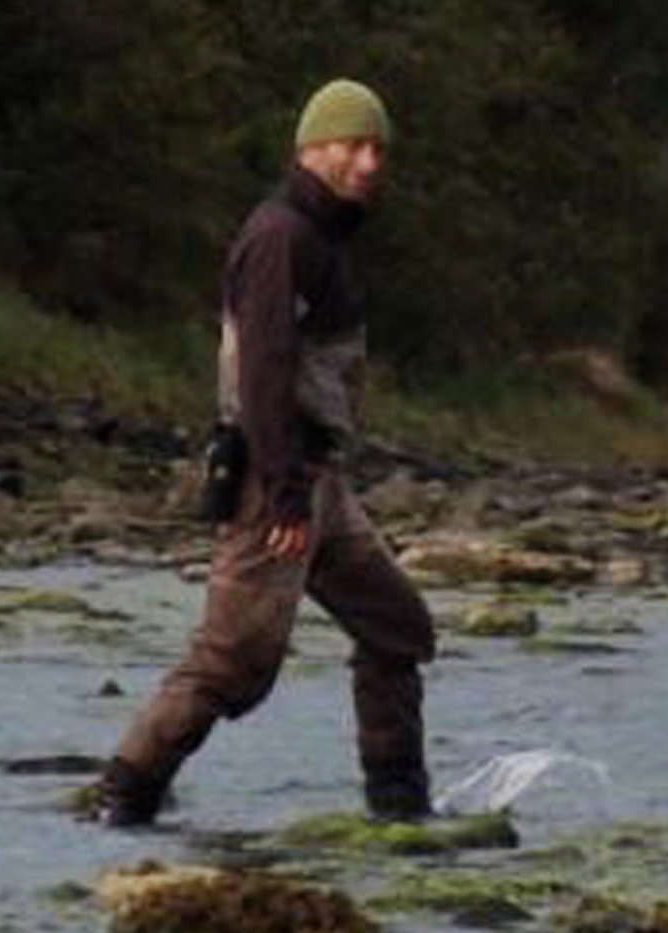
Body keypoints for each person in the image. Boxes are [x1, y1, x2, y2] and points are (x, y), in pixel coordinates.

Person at [94, 79, 436, 827]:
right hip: (271, 478)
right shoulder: (282, 237)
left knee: (398, 627)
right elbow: (263, 371)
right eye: (352, 145)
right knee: (233, 662)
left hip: (318, 480)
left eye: (378, 148)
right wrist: (282, 488)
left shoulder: (324, 238)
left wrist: (306, 483)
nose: (369, 162)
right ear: (310, 148)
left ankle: (400, 804)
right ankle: (123, 798)